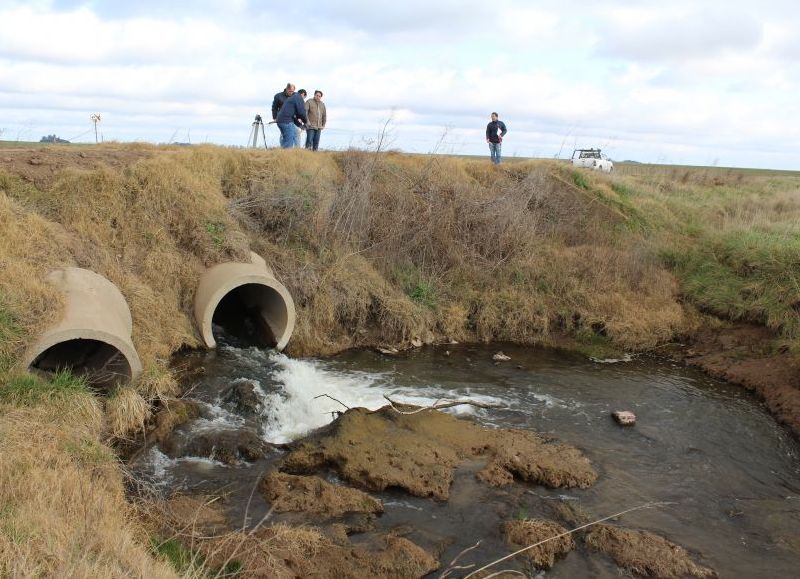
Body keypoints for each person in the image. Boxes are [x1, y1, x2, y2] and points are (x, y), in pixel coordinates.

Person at [272, 83, 295, 147]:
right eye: (290, 91)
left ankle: (283, 151)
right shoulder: (278, 96)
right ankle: (287, 152)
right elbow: (274, 108)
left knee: (288, 136)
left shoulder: (295, 96)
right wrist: (275, 117)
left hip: (292, 120)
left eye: (292, 91)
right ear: (286, 89)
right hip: (282, 119)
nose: (291, 93)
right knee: (289, 137)